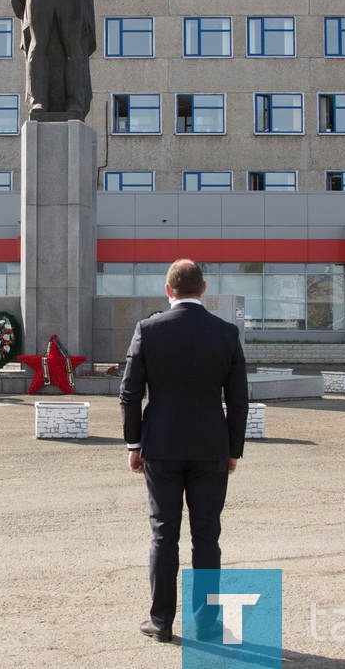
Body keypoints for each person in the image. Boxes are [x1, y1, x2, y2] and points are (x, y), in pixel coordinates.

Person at [120, 259, 248, 642]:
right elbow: (239, 399)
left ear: (167, 290)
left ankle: (161, 622)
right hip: (211, 446)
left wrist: (134, 443)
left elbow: (129, 393)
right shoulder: (226, 333)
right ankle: (206, 624)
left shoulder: (148, 329)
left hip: (161, 446)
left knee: (163, 534)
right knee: (207, 537)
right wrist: (233, 449)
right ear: (203, 289)